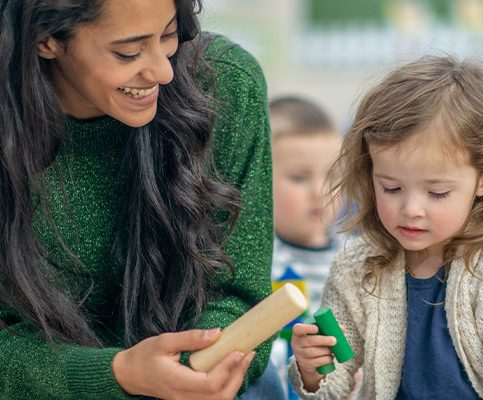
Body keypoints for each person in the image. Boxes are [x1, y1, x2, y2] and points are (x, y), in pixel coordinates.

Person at [0, 0, 278, 398]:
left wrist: (193, 372)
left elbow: (240, 294)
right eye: (128, 52)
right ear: (46, 41)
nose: (163, 71)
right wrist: (117, 374)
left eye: (168, 34)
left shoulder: (226, 85)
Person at [288, 56, 483, 399]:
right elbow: (332, 388)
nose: (411, 209)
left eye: (437, 193)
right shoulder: (356, 268)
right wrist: (311, 371)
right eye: (391, 188)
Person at [266, 96, 344, 399]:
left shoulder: (355, 260)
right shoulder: (260, 262)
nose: (319, 191)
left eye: (334, 175)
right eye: (300, 177)